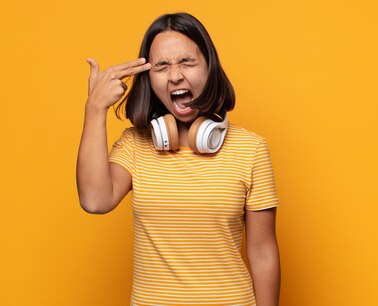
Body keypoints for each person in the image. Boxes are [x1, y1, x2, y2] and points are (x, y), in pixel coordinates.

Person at [76, 12, 281, 306]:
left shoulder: (251, 149)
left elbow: (263, 254)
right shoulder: (135, 144)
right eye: (161, 66)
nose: (175, 76)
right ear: (148, 78)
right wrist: (94, 109)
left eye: (187, 62)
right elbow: (95, 200)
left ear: (210, 67)